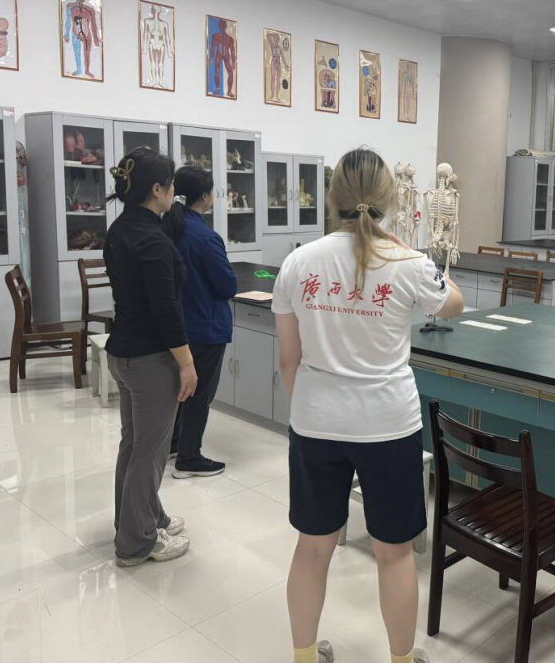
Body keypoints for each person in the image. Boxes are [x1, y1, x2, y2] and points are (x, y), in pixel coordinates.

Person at [272, 148, 464, 663]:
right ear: (390, 201)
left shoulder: (298, 263)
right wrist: (403, 249)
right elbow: (454, 303)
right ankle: (402, 659)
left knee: (313, 547)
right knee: (394, 553)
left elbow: (289, 360)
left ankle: (304, 656)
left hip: (315, 423)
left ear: (331, 197)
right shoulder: (407, 263)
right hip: (388, 425)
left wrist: (314, 411)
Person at [104, 147, 195, 566]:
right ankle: (136, 542)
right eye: (171, 184)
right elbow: (165, 310)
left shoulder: (120, 229)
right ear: (157, 189)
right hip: (150, 360)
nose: (174, 191)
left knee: (135, 445)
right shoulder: (153, 241)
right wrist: (187, 363)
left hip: (122, 353)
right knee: (150, 451)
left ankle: (144, 518)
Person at [162, 166, 237, 478]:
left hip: (176, 327)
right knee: (199, 395)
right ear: (206, 196)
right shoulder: (205, 237)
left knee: (180, 392)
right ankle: (189, 458)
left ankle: (174, 445)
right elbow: (227, 285)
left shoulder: (166, 228)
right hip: (206, 327)